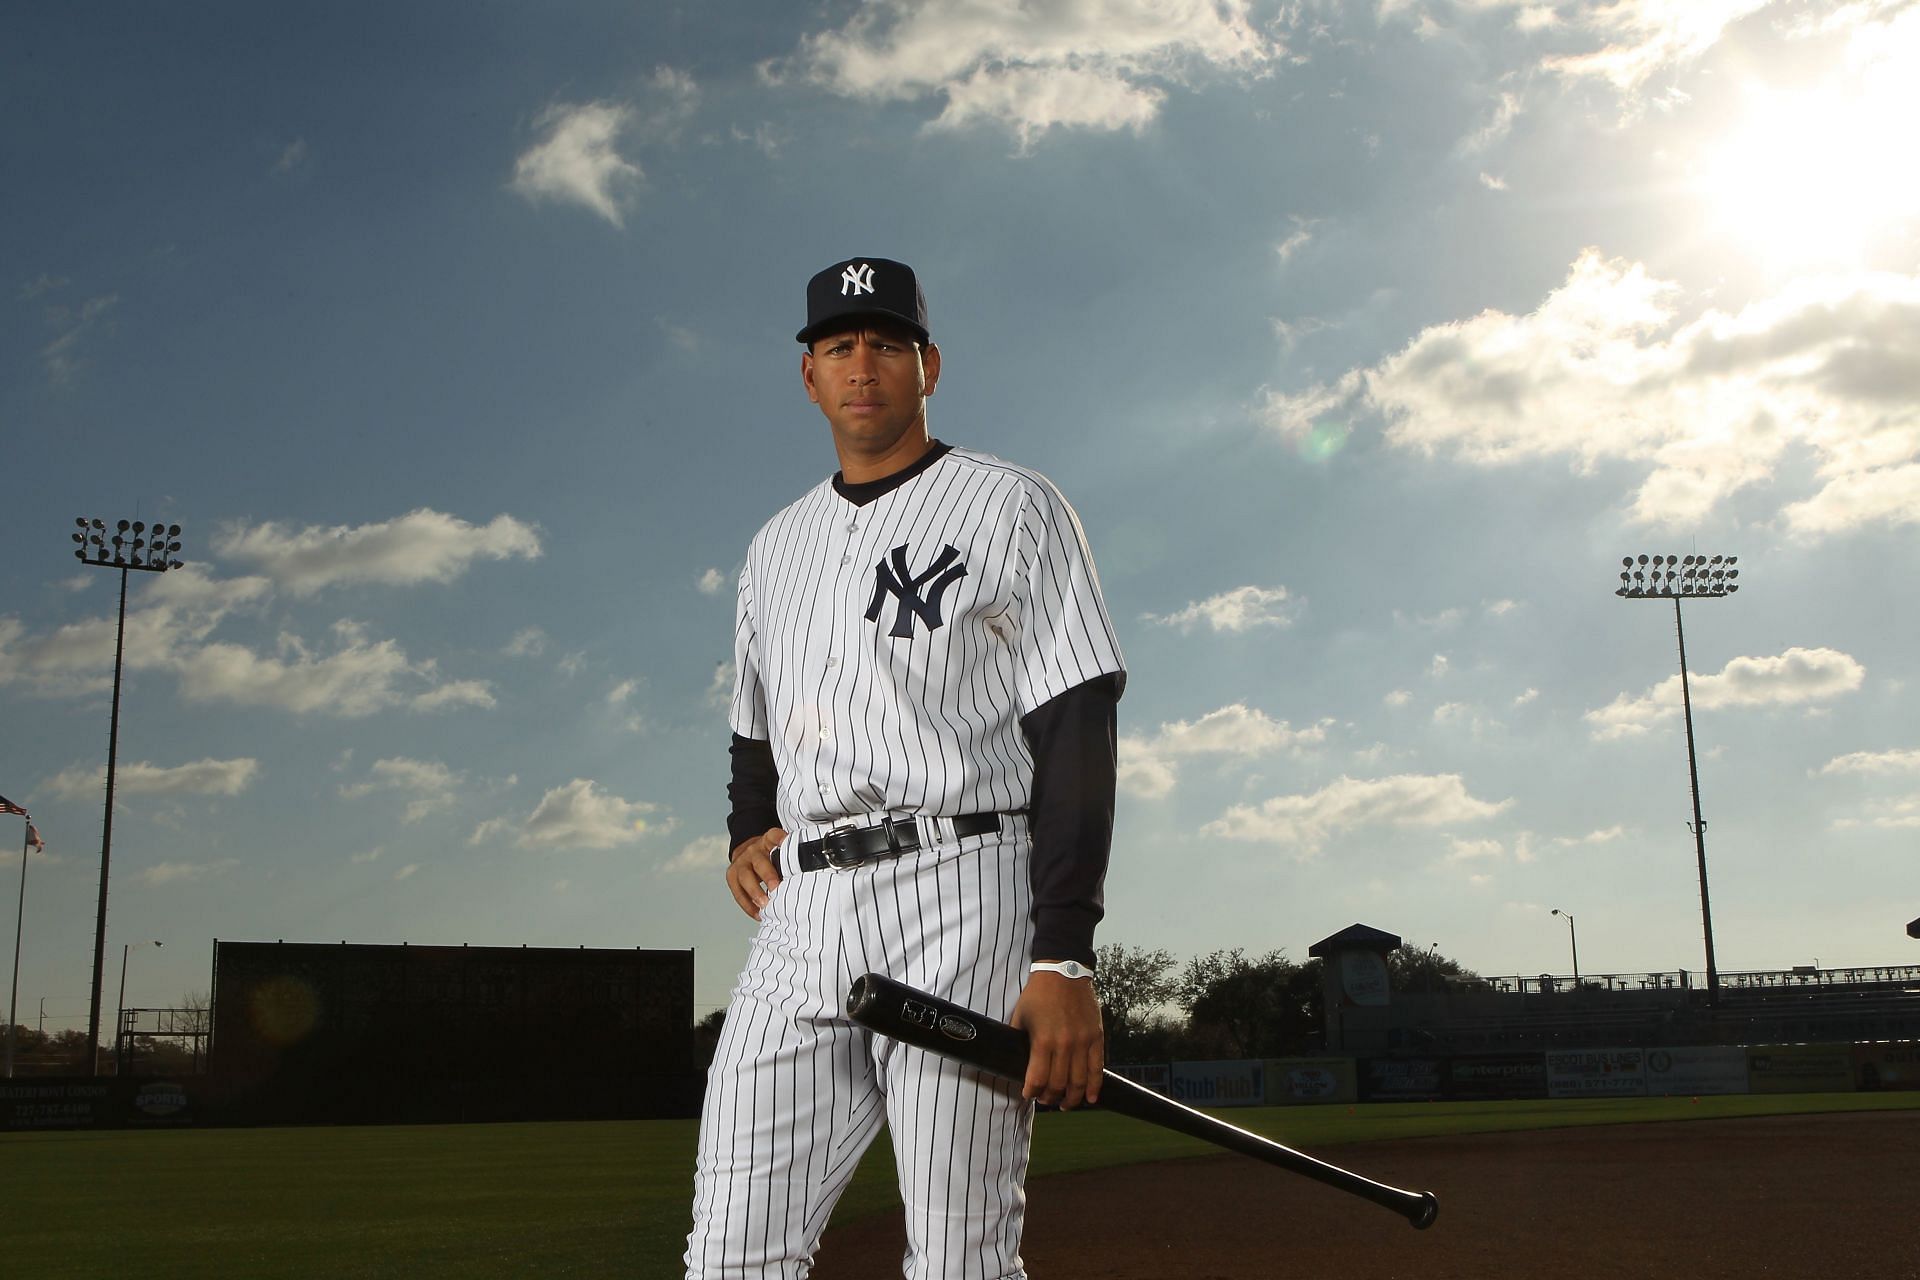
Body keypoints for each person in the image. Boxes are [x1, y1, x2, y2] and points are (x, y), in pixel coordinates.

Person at [684, 256, 1126, 1278]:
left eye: (886, 342)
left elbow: (1076, 718)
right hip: (803, 912)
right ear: (809, 376)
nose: (862, 364)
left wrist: (1063, 954)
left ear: (929, 363)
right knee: (729, 1252)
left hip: (960, 888)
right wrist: (747, 826)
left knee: (958, 1255)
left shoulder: (1011, 504)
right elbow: (754, 722)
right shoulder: (774, 546)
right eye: (839, 345)